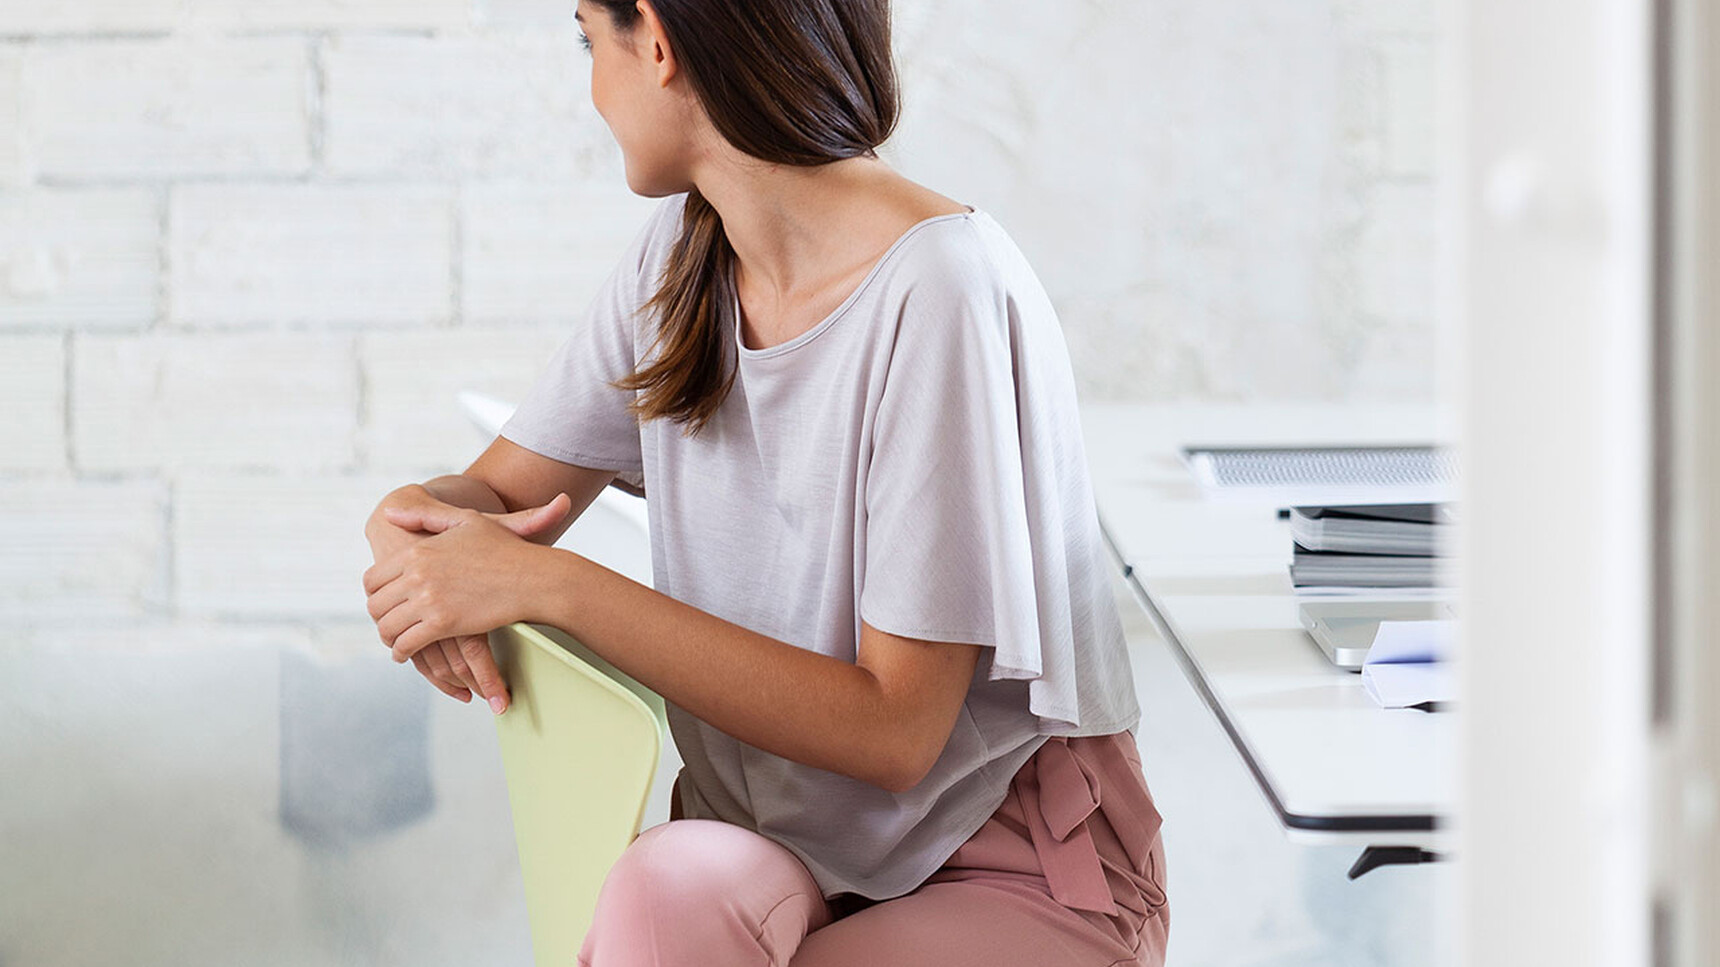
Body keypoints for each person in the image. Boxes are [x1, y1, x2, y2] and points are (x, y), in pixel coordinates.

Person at [360, 0, 1170, 964]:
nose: (590, 84)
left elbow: (897, 727)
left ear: (656, 40)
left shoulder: (941, 289)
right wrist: (412, 534)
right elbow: (492, 496)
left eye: (589, 37)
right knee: (662, 886)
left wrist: (551, 586)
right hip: (780, 857)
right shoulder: (683, 261)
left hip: (1004, 861)